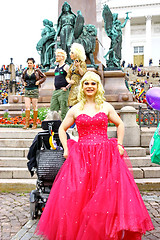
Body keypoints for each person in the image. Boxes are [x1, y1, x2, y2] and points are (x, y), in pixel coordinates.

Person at [36, 71, 154, 240]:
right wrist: (66, 148)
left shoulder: (106, 106)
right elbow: (61, 129)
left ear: (98, 86)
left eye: (93, 83)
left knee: (105, 195)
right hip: (82, 156)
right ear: (82, 86)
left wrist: (119, 144)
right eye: (86, 83)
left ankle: (104, 232)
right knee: (81, 195)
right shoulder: (76, 109)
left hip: (105, 156)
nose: (90, 86)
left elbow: (120, 124)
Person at [21, 58, 46, 129]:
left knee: (35, 106)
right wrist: (23, 83)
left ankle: (35, 123)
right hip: (27, 90)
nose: (29, 64)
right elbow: (22, 78)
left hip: (34, 89)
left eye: (30, 63)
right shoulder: (25, 71)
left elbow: (44, 77)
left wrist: (39, 81)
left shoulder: (37, 71)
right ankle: (27, 123)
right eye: (28, 63)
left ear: (33, 64)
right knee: (27, 107)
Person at [49, 49, 70, 120]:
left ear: (62, 57)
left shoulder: (66, 67)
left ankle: (65, 126)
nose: (56, 57)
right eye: (56, 56)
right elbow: (56, 78)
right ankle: (54, 125)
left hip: (63, 91)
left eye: (58, 56)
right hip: (56, 91)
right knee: (53, 109)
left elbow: (72, 78)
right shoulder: (56, 67)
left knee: (64, 109)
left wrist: (67, 87)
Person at [66, 43, 87, 107]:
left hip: (79, 86)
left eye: (72, 53)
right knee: (71, 104)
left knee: (79, 103)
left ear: (77, 53)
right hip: (73, 87)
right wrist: (69, 81)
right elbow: (68, 76)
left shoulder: (82, 63)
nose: (70, 54)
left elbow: (83, 74)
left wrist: (78, 67)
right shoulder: (72, 65)